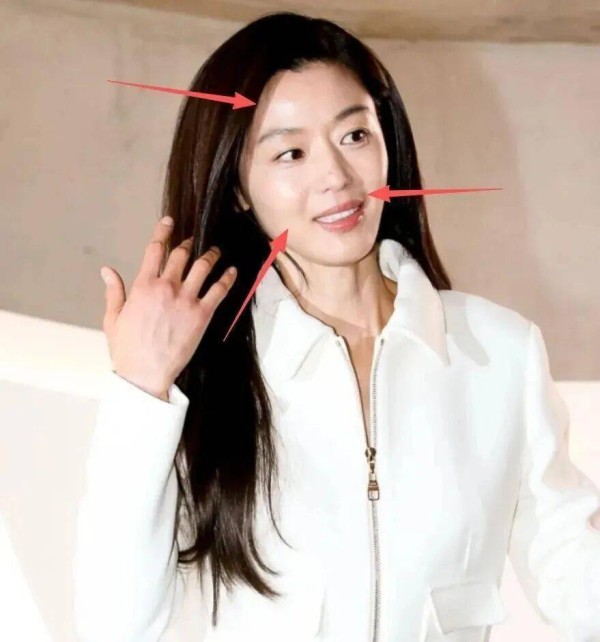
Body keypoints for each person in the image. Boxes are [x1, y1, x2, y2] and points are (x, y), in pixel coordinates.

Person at [72, 11, 600, 642]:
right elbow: (114, 624)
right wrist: (141, 388)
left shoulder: (501, 353)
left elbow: (575, 574)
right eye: (291, 153)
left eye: (354, 135)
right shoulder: (201, 368)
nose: (336, 177)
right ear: (238, 188)